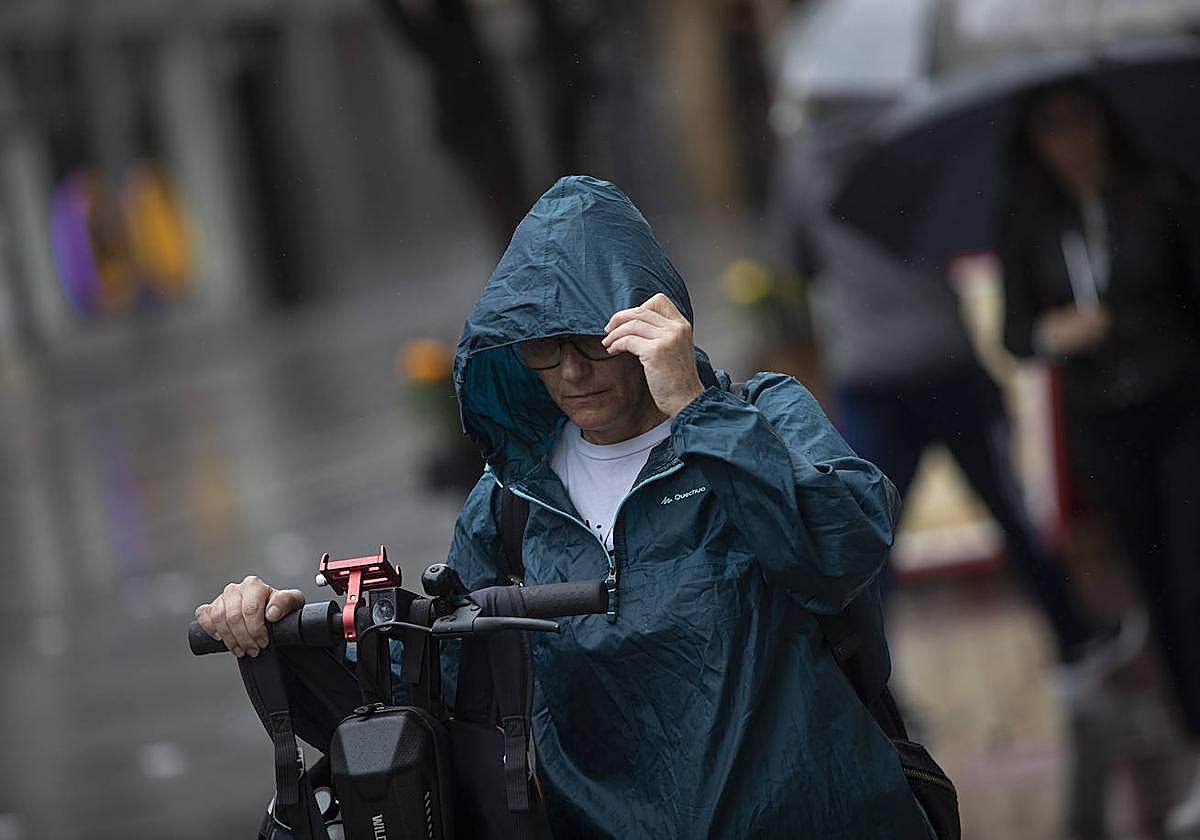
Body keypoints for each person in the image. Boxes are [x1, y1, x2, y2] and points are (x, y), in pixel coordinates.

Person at [197, 176, 935, 838]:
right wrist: (283, 633)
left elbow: (841, 554)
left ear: (651, 324)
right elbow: (428, 700)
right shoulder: (509, 500)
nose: (572, 371)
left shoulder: (762, 416)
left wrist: (697, 412)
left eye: (594, 339)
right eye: (541, 347)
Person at [772, 103, 1131, 675]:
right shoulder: (913, 142)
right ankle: (1075, 636)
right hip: (947, 363)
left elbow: (794, 263)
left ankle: (861, 670)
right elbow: (966, 229)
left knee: (867, 533)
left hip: (869, 375)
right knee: (1009, 509)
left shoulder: (802, 166)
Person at [999, 78, 1200, 834]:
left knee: (1191, 574)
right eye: (1051, 129)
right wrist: (1058, 334)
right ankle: (1189, 732)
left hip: (1180, 399)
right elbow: (1017, 332)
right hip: (1103, 420)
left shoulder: (1161, 192)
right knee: (1149, 578)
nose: (1070, 141)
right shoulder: (1029, 220)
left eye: (1080, 122)